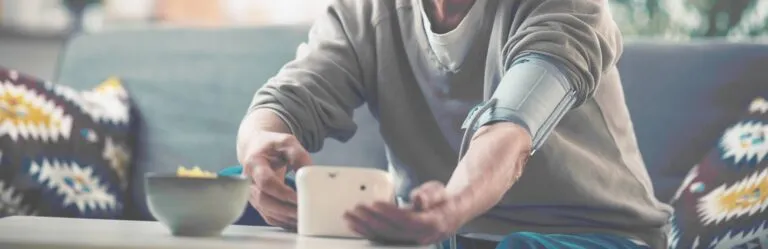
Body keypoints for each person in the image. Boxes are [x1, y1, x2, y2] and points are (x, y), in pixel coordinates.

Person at [235, 0, 673, 248]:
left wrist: (453, 206)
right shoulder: (363, 12)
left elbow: (510, 131)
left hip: (592, 236)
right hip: (439, 234)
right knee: (232, 191)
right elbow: (283, 102)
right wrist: (262, 146)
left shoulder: (566, 8)